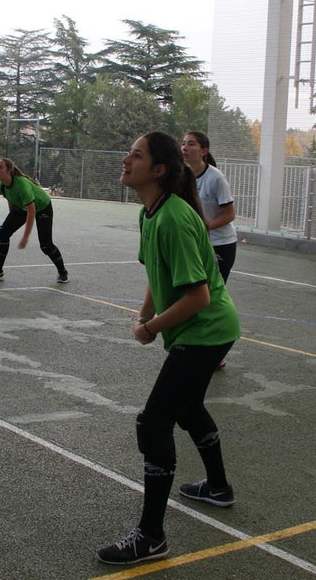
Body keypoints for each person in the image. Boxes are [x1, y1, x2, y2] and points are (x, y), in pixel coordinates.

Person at [96, 132, 241, 566]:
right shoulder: (151, 214)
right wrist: (143, 315)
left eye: (136, 155)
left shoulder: (174, 218)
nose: (126, 160)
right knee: (189, 409)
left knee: (153, 423)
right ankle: (218, 488)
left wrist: (151, 328)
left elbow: (199, 297)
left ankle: (152, 536)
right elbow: (156, 273)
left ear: (158, 170)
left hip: (206, 331)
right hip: (204, 331)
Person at [182, 131, 238, 370]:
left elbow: (230, 214)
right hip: (197, 244)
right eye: (183, 144)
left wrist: (205, 227)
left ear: (204, 151)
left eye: (191, 144)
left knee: (212, 300)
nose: (185, 148)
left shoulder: (215, 178)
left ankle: (218, 351)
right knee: (193, 296)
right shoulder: (182, 176)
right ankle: (196, 347)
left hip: (220, 245)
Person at [0, 157, 69, 284]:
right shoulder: (2, 185)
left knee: (45, 245)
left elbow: (31, 212)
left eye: (0, 167)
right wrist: (11, 221)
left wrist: (25, 237)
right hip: (22, 207)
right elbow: (11, 200)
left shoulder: (22, 185)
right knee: (3, 233)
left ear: (9, 170)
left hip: (42, 207)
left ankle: (63, 272)